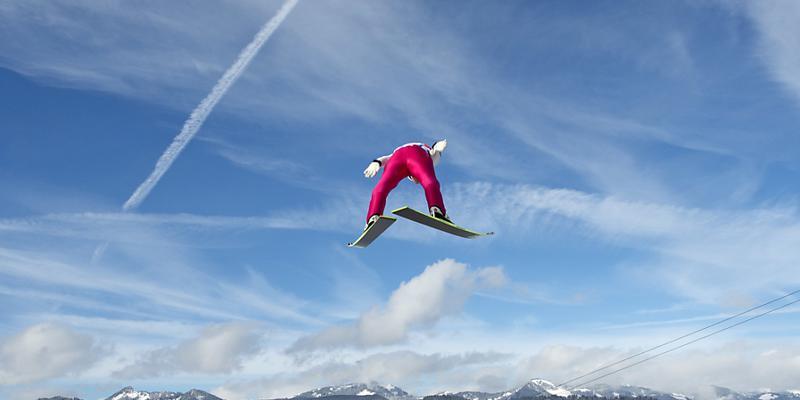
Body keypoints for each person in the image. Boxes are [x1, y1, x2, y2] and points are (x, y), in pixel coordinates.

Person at [363, 140, 450, 230]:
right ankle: (437, 210)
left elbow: (387, 158)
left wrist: (377, 162)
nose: (417, 182)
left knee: (381, 188)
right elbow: (435, 151)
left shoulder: (397, 152)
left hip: (396, 157)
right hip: (417, 152)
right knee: (429, 181)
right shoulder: (428, 156)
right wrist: (437, 148)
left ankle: (373, 217)